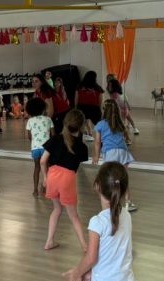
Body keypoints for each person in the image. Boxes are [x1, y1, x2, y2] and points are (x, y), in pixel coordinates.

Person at [42, 109, 89, 251]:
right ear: (81, 126)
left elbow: (43, 161)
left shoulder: (55, 139)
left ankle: (49, 241)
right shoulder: (81, 147)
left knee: (56, 209)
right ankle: (84, 246)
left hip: (52, 175)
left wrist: (45, 178)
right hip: (67, 178)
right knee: (73, 216)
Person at [92, 98, 137, 212]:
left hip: (111, 153)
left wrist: (96, 156)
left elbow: (97, 142)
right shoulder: (120, 123)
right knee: (123, 178)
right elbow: (126, 137)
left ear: (104, 110)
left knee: (110, 178)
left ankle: (112, 201)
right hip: (123, 152)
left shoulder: (100, 124)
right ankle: (128, 202)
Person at [25, 95, 54, 197]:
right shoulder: (48, 119)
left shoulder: (30, 121)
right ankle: (46, 189)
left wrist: (35, 142)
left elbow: (29, 136)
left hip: (35, 148)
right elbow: (53, 135)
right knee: (48, 168)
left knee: (37, 167)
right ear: (43, 108)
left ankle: (35, 190)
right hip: (47, 148)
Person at [74, 71, 103, 140]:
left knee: (82, 124)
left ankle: (85, 137)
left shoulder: (79, 87)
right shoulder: (98, 88)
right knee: (98, 125)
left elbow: (76, 99)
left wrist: (75, 108)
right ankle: (100, 138)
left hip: (82, 107)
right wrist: (99, 109)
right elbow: (100, 101)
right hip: (94, 108)